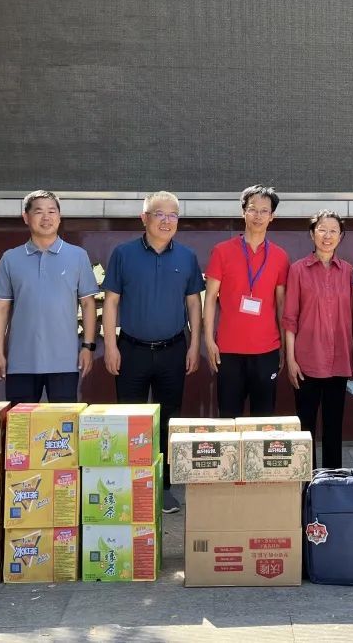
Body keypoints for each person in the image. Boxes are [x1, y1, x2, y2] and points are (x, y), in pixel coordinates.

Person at [101, 191, 204, 514]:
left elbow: (194, 304)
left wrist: (195, 345)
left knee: (168, 421)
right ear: (144, 218)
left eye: (173, 215)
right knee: (130, 422)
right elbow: (111, 302)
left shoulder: (187, 256)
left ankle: (164, 488)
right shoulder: (124, 254)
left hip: (173, 349)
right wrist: (110, 346)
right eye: (159, 214)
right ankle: (129, 487)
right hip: (131, 350)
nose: (166, 221)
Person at [0, 190, 99, 403]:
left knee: (63, 422)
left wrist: (87, 347)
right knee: (20, 422)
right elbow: (0, 308)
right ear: (26, 217)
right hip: (21, 362)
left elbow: (88, 304)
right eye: (39, 212)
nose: (46, 217)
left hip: (65, 361)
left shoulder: (78, 256)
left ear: (59, 216)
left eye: (52, 211)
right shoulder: (10, 258)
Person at [204, 184, 290, 418]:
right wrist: (209, 340)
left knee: (264, 419)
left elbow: (281, 305)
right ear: (243, 212)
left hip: (267, 349)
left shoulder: (280, 256)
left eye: (264, 211)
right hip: (228, 350)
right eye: (252, 209)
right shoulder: (222, 251)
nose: (258, 216)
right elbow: (210, 298)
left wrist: (283, 346)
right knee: (228, 418)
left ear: (272, 217)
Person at [282, 210, 353, 469]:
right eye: (322, 230)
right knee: (306, 425)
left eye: (333, 231)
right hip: (306, 360)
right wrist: (291, 359)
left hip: (339, 359)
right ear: (312, 234)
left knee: (334, 425)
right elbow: (289, 318)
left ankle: (333, 479)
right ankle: (307, 480)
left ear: (341, 236)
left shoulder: (348, 272)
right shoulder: (297, 270)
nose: (327, 236)